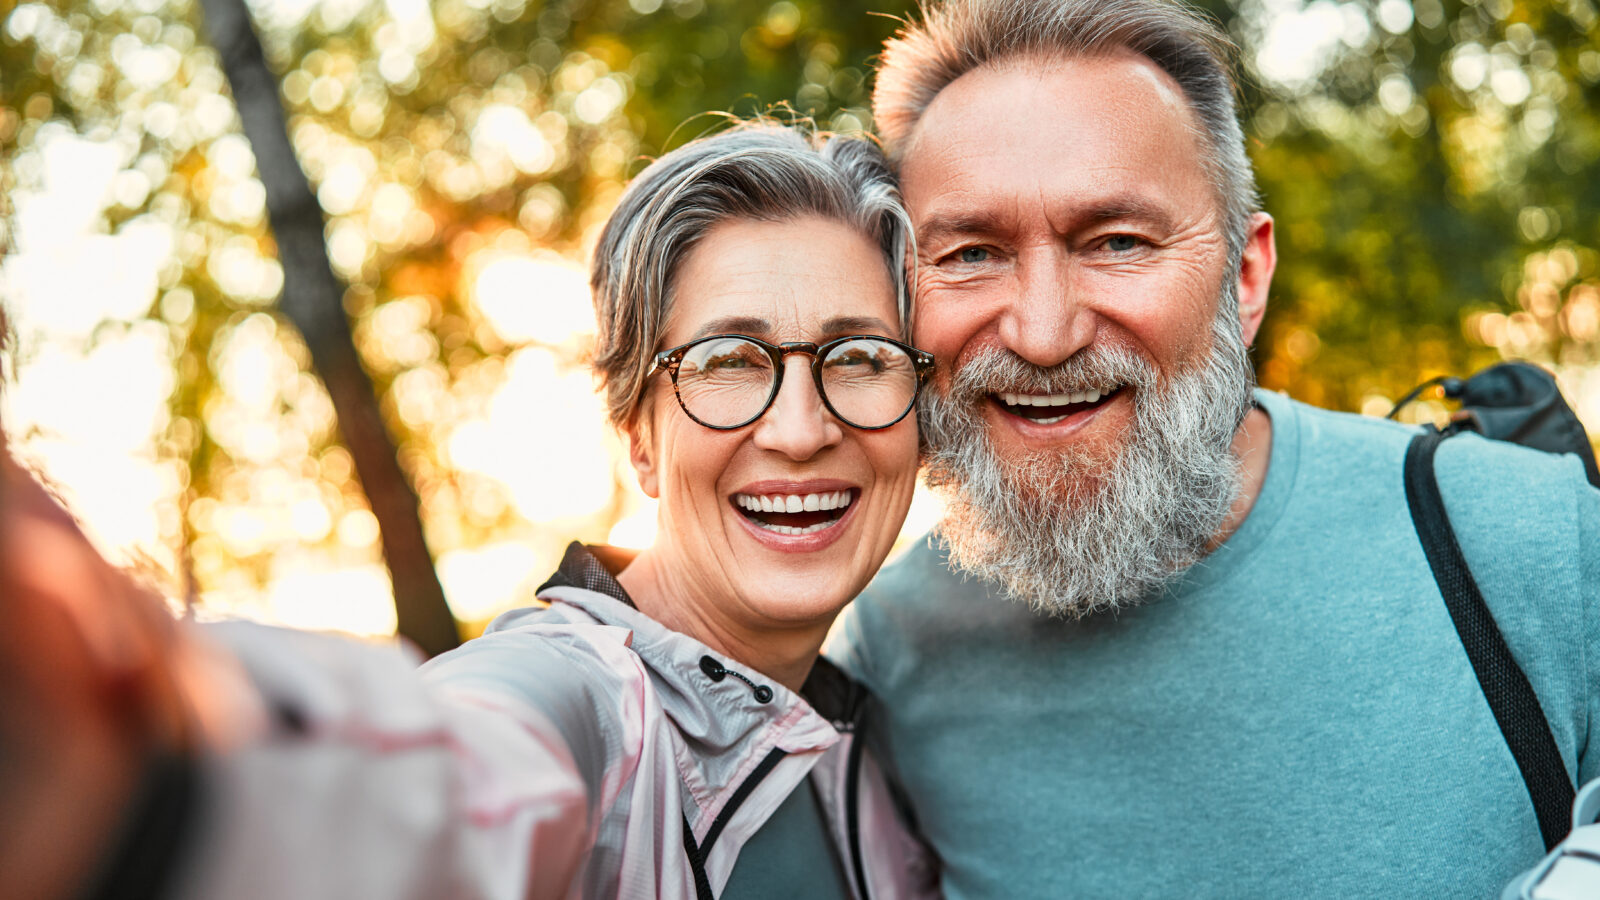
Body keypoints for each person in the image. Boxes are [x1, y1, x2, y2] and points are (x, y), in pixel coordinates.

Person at [0, 123, 939, 899]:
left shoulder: (876, 736)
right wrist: (156, 758)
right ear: (639, 436)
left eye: (859, 359)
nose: (803, 428)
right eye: (729, 363)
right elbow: (460, 777)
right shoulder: (577, 698)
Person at [828, 0, 1600, 897]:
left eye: (1117, 242)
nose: (1042, 334)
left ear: (1245, 276)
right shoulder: (885, 655)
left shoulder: (1538, 545)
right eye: (968, 255)